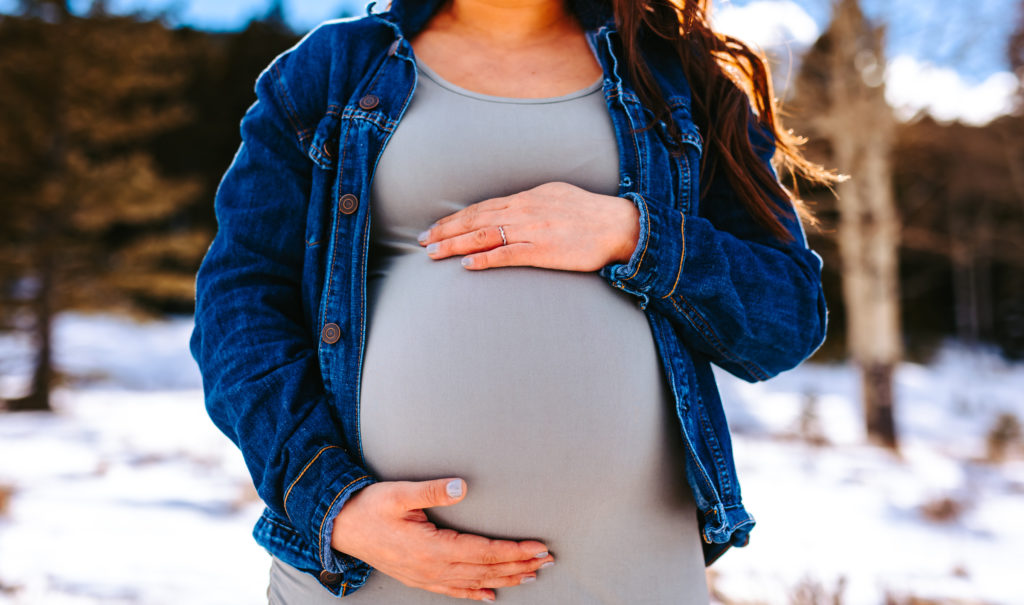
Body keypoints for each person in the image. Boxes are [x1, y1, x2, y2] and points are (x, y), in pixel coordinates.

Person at [190, 0, 832, 602]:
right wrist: (334, 505)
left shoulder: (677, 80)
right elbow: (239, 304)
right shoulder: (331, 72)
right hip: (377, 571)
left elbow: (786, 315)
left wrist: (633, 234)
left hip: (631, 569)